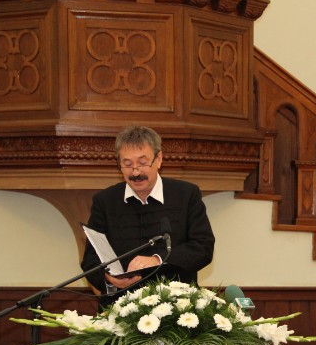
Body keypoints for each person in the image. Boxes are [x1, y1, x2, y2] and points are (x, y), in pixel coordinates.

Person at [81, 125, 215, 305]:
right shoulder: (104, 201)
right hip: (121, 306)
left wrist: (157, 259)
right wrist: (108, 278)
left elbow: (203, 247)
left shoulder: (186, 195)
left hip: (178, 307)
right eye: (127, 164)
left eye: (142, 163)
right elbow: (90, 259)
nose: (135, 172)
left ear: (158, 159)